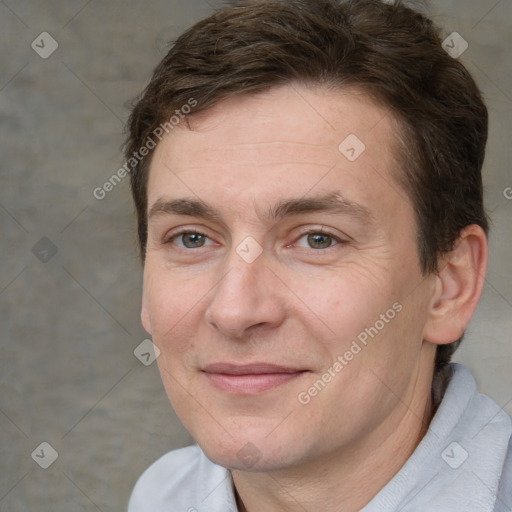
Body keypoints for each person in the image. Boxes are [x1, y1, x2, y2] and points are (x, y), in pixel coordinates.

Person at [125, 0, 512, 510]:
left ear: (448, 285)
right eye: (192, 239)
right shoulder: (162, 495)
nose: (235, 311)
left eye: (317, 239)